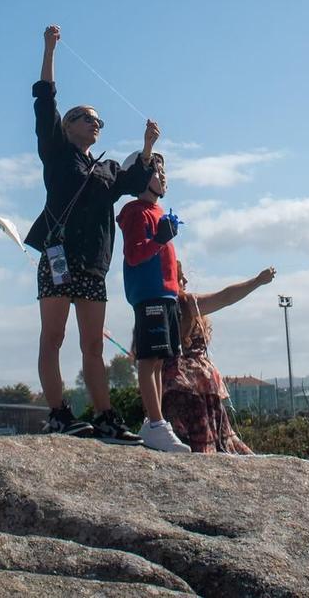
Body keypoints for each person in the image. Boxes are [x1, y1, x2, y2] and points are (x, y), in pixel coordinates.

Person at [27, 25, 158, 441]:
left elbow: (138, 180)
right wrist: (49, 49)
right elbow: (45, 100)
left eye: (98, 120)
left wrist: (148, 145)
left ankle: (105, 416)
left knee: (93, 346)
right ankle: (58, 413)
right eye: (85, 117)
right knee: (54, 336)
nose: (94, 123)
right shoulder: (56, 150)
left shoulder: (107, 170)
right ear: (67, 126)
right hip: (58, 255)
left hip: (92, 264)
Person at [161, 265, 276, 454]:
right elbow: (225, 297)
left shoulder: (154, 307)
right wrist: (257, 281)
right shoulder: (185, 303)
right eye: (181, 277)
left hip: (173, 384)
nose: (186, 281)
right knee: (207, 440)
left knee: (186, 440)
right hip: (195, 384)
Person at [118, 154, 188, 452]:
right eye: (157, 171)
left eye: (164, 171)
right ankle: (156, 423)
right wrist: (159, 240)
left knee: (159, 361)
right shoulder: (135, 211)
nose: (163, 177)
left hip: (165, 294)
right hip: (150, 294)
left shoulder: (156, 210)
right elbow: (134, 255)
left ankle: (154, 421)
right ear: (141, 177)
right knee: (149, 361)